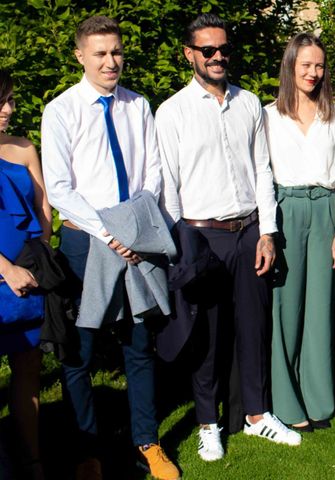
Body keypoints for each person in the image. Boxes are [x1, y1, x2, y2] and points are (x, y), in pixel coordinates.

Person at [155, 12, 301, 463]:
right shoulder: (172, 112)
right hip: (201, 236)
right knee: (208, 336)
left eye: (223, 49)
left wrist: (268, 233)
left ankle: (257, 416)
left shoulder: (249, 104)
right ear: (190, 54)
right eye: (208, 50)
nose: (218, 57)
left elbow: (262, 170)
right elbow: (169, 185)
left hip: (248, 232)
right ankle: (208, 424)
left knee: (253, 328)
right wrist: (183, 245)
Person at [40, 16, 180, 480]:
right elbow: (59, 188)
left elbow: (153, 171)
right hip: (88, 242)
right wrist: (108, 232)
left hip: (135, 239)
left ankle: (148, 443)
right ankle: (88, 452)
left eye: (116, 52)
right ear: (80, 56)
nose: (110, 61)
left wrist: (134, 226)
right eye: (100, 53)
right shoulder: (61, 111)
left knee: (139, 345)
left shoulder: (138, 106)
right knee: (79, 352)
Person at [264, 33, 335, 432]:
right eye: (306, 65)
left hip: (325, 211)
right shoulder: (268, 116)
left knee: (319, 307)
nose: (313, 73)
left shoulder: (333, 115)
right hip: (286, 210)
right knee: (285, 306)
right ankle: (285, 401)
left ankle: (318, 399)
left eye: (319, 66)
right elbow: (261, 176)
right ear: (290, 66)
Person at [0, 69, 50, 480]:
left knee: (28, 367)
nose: (8, 109)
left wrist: (36, 260)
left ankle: (31, 460)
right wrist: (5, 268)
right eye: (1, 101)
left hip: (29, 277)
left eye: (11, 100)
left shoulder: (23, 148)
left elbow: (43, 207)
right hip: (3, 276)